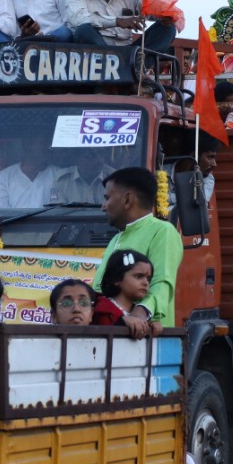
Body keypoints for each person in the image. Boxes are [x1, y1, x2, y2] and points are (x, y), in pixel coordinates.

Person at [96, 167, 183, 339]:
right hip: (113, 335)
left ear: (127, 200)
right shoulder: (116, 239)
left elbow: (161, 283)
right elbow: (99, 288)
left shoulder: (163, 231)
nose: (103, 207)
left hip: (146, 340)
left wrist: (140, 315)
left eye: (107, 198)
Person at [0, 136, 61, 208]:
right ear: (28, 144)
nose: (49, 148)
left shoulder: (60, 175)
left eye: (50, 144)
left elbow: (63, 213)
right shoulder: (4, 177)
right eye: (43, 143)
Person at [92, 249, 154, 328]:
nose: (146, 283)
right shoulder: (102, 309)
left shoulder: (142, 314)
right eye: (138, 276)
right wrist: (121, 321)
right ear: (116, 278)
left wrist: (152, 327)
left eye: (148, 279)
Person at [53, 145, 117, 206]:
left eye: (101, 154)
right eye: (90, 156)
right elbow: (57, 212)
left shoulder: (115, 179)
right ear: (77, 159)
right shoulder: (62, 180)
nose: (99, 161)